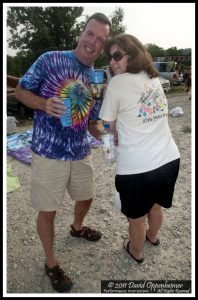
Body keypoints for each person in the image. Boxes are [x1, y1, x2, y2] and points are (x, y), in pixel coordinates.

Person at [15, 13, 111, 292]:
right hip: (48, 151)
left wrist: (111, 136)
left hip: (80, 149)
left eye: (100, 40)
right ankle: (51, 262)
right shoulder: (50, 59)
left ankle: (77, 228)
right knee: (48, 210)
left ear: (103, 47)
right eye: (90, 34)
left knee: (87, 195)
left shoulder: (96, 77)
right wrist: (43, 104)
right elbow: (20, 91)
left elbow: (93, 122)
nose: (93, 42)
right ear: (81, 33)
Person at [99, 34, 180, 264]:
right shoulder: (153, 79)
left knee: (136, 219)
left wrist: (108, 156)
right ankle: (152, 237)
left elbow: (107, 126)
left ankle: (135, 251)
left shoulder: (116, 83)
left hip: (138, 170)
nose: (112, 62)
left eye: (117, 55)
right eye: (110, 57)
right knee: (155, 207)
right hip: (169, 159)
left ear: (132, 55)